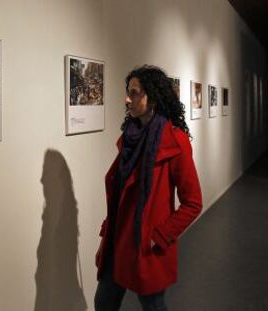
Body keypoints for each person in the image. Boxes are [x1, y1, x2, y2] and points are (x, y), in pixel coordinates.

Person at [94, 65, 203, 311]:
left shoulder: (174, 142)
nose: (127, 99)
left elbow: (193, 202)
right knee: (103, 303)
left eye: (134, 93)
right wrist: (105, 237)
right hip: (119, 241)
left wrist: (160, 236)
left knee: (153, 306)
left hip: (145, 246)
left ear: (151, 97)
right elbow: (118, 195)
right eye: (128, 92)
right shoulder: (130, 138)